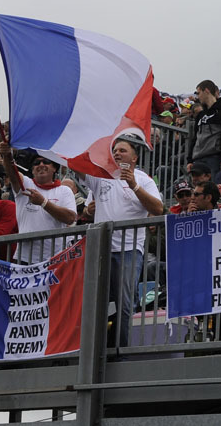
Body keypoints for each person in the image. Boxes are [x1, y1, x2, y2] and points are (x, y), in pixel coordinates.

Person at [76, 138, 163, 347]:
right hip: (101, 250)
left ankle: (121, 350)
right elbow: (78, 170)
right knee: (95, 303)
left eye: (122, 150)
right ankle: (94, 351)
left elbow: (158, 209)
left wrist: (133, 185)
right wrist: (88, 210)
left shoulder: (144, 180)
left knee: (125, 304)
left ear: (134, 158)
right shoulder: (101, 178)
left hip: (129, 250)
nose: (117, 154)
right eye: (114, 151)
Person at [0, 143, 76, 263]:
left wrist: (44, 203)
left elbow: (70, 218)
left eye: (46, 162)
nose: (41, 165)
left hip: (56, 258)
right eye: (36, 163)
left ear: (54, 168)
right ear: (32, 169)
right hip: (25, 259)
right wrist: (7, 155)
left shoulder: (64, 190)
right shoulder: (26, 184)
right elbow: (12, 172)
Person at [187, 80, 221, 179]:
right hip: (197, 159)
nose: (198, 96)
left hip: (214, 158)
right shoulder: (200, 115)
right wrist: (190, 160)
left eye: (198, 92)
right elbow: (195, 138)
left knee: (211, 188)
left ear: (206, 90)